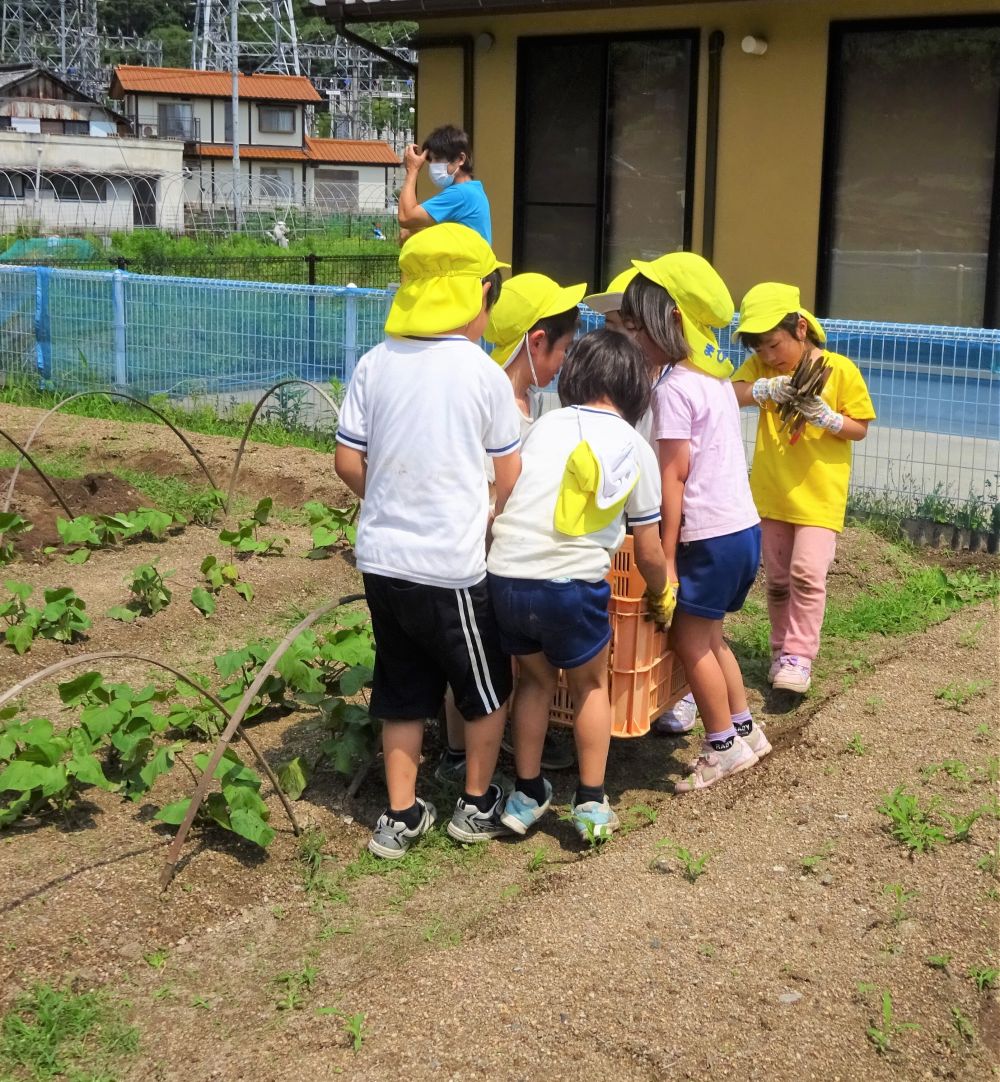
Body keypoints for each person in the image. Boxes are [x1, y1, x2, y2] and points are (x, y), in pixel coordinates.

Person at [334, 222, 521, 859]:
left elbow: (346, 461)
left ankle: (401, 812)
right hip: (451, 565)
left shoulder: (375, 361)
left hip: (382, 560)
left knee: (402, 683)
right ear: (482, 294)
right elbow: (509, 472)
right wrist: (487, 517)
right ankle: (474, 803)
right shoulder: (484, 374)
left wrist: (390, 502)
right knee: (486, 685)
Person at [487, 328, 673, 840]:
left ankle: (526, 794)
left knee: (534, 682)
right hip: (570, 586)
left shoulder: (546, 426)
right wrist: (662, 592)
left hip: (507, 577)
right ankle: (590, 802)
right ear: (636, 388)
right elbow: (650, 551)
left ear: (575, 378)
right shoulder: (636, 447)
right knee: (592, 685)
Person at [621, 252, 771, 792]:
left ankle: (720, 745)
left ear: (670, 321)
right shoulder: (713, 380)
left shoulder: (673, 389)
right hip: (742, 530)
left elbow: (674, 478)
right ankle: (747, 730)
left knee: (689, 643)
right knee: (713, 639)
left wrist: (665, 556)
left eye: (638, 324)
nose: (634, 337)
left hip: (706, 535)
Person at [435, 272, 587, 783]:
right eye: (563, 349)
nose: (565, 362)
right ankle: (462, 757)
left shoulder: (524, 399)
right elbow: (485, 487)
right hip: (476, 553)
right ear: (537, 341)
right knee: (473, 658)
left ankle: (490, 745)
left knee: (494, 659)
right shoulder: (496, 394)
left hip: (497, 554)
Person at [731, 283, 875, 693]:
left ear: (799, 327)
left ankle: (799, 655)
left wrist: (829, 419)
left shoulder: (840, 369)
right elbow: (731, 393)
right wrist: (762, 388)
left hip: (819, 496)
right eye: (759, 349)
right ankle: (780, 652)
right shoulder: (764, 371)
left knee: (807, 575)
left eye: (773, 345)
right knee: (777, 580)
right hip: (772, 492)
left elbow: (859, 428)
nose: (768, 356)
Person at [586, 268, 699, 737]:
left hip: (667, 513)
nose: (619, 336)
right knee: (627, 603)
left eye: (627, 325)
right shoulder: (612, 380)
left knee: (678, 601)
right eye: (613, 326)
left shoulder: (671, 385)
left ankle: (681, 688)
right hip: (625, 510)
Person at [398, 124, 492, 243]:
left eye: (438, 159)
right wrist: (414, 231)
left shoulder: (460, 194)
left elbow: (406, 217)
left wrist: (412, 170)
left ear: (460, 159)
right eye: (430, 160)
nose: (432, 166)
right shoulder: (471, 191)